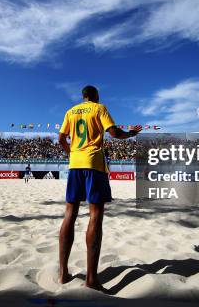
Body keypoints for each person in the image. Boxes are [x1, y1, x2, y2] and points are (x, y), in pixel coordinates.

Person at [57, 85, 141, 292]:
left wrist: (73, 153)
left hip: (75, 164)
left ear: (82, 96)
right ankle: (92, 279)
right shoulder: (99, 108)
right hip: (94, 164)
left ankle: (63, 274)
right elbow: (113, 133)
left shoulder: (71, 111)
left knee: (70, 213)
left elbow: (61, 139)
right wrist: (130, 134)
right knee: (95, 216)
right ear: (95, 96)